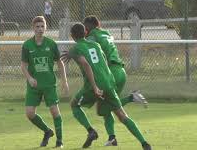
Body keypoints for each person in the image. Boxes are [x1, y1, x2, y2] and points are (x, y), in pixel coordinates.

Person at [61, 23, 151, 150]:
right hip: (109, 82)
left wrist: (95, 87)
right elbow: (103, 61)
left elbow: (86, 65)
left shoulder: (75, 48)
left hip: (94, 86)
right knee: (120, 115)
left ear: (72, 36)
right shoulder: (96, 45)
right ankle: (144, 143)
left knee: (74, 105)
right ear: (85, 33)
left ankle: (91, 131)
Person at [83, 15, 148, 146]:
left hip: (110, 74)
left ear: (89, 27)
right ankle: (112, 138)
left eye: (85, 27)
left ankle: (131, 98)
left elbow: (85, 47)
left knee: (106, 110)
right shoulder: (106, 34)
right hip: (120, 72)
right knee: (106, 106)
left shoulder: (92, 36)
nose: (84, 30)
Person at [21, 16, 69, 148]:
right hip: (34, 85)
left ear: (46, 27)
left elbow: (60, 63)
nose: (40, 29)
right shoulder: (27, 45)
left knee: (54, 111)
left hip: (49, 84)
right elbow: (23, 66)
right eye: (37, 26)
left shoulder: (51, 44)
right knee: (29, 113)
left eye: (42, 26)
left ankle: (59, 141)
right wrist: (30, 78)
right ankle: (47, 131)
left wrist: (64, 80)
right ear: (33, 28)